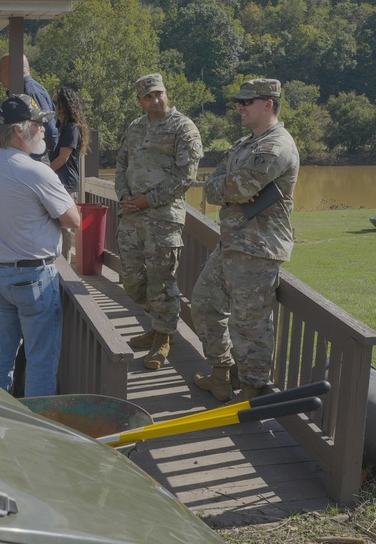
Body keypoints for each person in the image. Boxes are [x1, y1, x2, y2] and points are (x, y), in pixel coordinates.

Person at [191, 78, 299, 402]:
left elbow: (241, 186)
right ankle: (221, 374)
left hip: (258, 250)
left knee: (249, 325)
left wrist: (234, 189)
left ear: (269, 104)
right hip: (230, 243)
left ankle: (251, 391)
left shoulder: (276, 145)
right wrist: (234, 191)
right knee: (204, 303)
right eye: (239, 102)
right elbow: (212, 188)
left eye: (247, 102)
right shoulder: (243, 145)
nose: (240, 107)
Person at [0, 94, 81, 397]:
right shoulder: (35, 170)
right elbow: (73, 219)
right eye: (38, 125)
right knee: (40, 360)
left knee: (0, 354)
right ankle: (38, 431)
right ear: (18, 130)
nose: (43, 131)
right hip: (31, 278)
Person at [116, 73, 203, 371]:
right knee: (132, 282)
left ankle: (164, 337)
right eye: (148, 96)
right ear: (140, 101)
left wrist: (148, 200)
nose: (155, 100)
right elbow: (121, 163)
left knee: (161, 281)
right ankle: (158, 325)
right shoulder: (135, 127)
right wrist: (124, 194)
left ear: (166, 93)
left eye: (158, 94)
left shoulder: (183, 127)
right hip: (131, 216)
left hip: (163, 219)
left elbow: (185, 176)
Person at [50, 86, 89, 259]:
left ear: (65, 105)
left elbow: (63, 158)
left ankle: (65, 269)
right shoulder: (62, 127)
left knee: (64, 228)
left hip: (66, 184)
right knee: (58, 227)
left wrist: (43, 173)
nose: (54, 107)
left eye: (56, 103)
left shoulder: (72, 128)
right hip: (60, 183)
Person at [0, 53, 57, 160]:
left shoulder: (31, 91)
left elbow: (49, 130)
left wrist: (42, 156)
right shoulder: (30, 88)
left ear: (10, 69)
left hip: (37, 158)